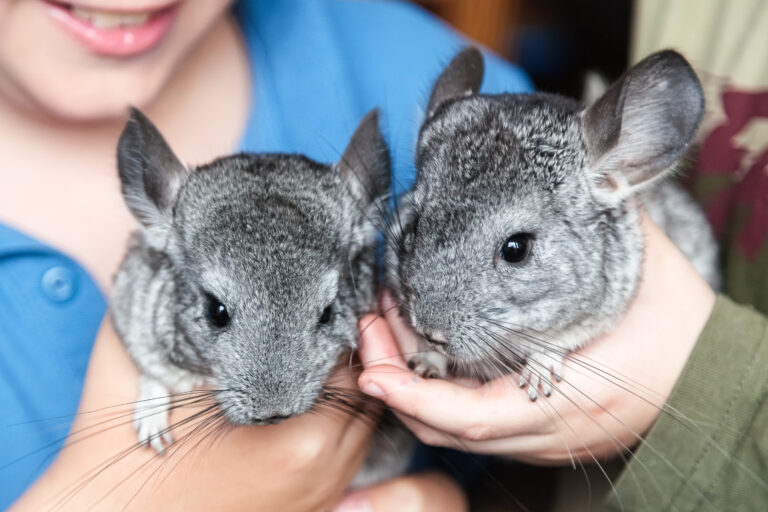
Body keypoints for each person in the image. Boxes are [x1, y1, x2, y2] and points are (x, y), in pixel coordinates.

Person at [0, 0, 531, 510]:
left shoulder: (383, 54)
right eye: (220, 311)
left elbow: (584, 196)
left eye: (325, 311)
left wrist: (611, 390)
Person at [358, 1, 768, 510]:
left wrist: (664, 368)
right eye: (421, 224)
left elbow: (633, 305)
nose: (432, 318)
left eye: (514, 250)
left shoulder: (608, 229)